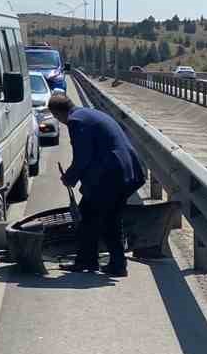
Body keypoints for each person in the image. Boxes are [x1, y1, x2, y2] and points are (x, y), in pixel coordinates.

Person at [50, 91, 146, 277]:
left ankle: (114, 265)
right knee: (92, 216)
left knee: (104, 220)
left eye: (56, 117)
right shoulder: (88, 114)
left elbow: (83, 157)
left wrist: (69, 178)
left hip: (113, 176)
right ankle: (89, 261)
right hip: (125, 171)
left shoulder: (76, 122)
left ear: (58, 114)